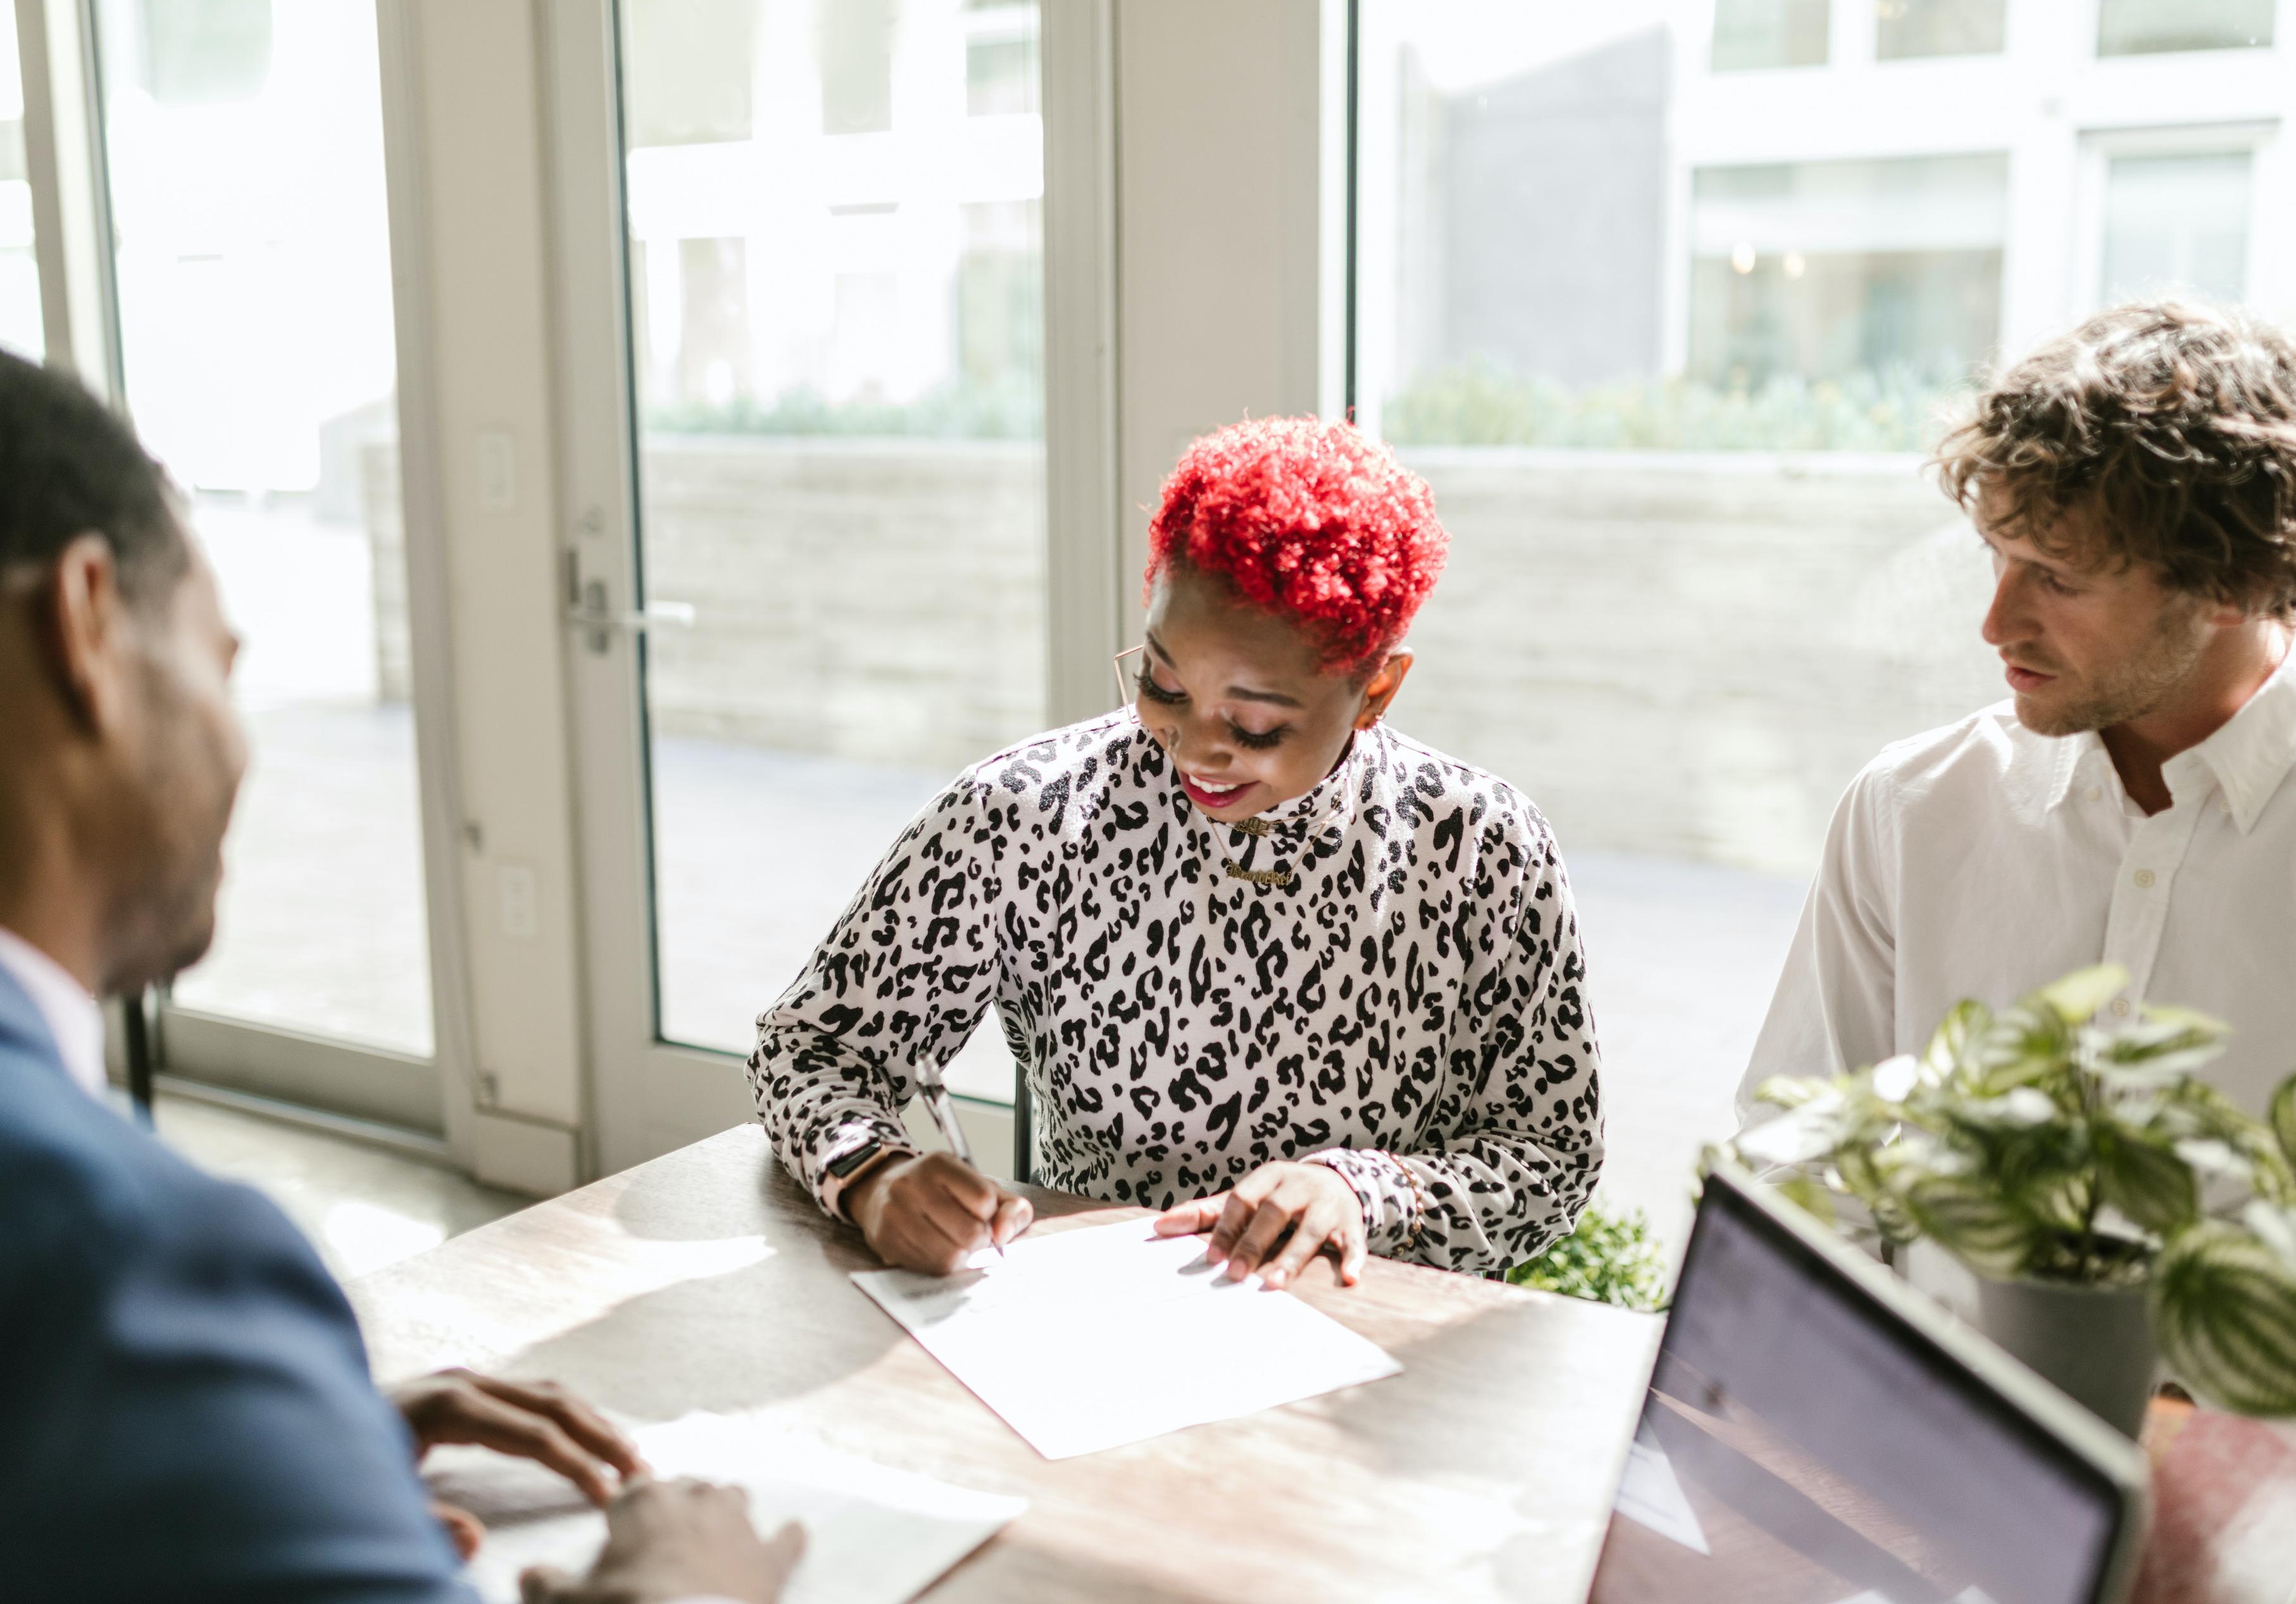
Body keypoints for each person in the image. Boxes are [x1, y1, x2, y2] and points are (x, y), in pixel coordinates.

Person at [0, 349, 804, 1603]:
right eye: (222, 662)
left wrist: (249, 1445)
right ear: (87, 621)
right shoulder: (131, 1263)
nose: (242, 744)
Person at [1740, 299, 2296, 1458]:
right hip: (1927, 1500)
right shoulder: (1911, 811)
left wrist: (2179, 1452)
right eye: (1999, 560)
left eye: (2056, 576)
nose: (1996, 620)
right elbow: (1798, 1185)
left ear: (2231, 582)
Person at [751, 416, 1603, 1286]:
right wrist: (872, 1176)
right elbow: (811, 1049)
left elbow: (1555, 1157)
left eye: (1256, 725)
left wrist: (1366, 1187)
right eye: (1164, 684)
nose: (1195, 750)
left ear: (1376, 688)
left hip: (1363, 1358)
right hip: (1087, 1332)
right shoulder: (1024, 814)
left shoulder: (1485, 849)